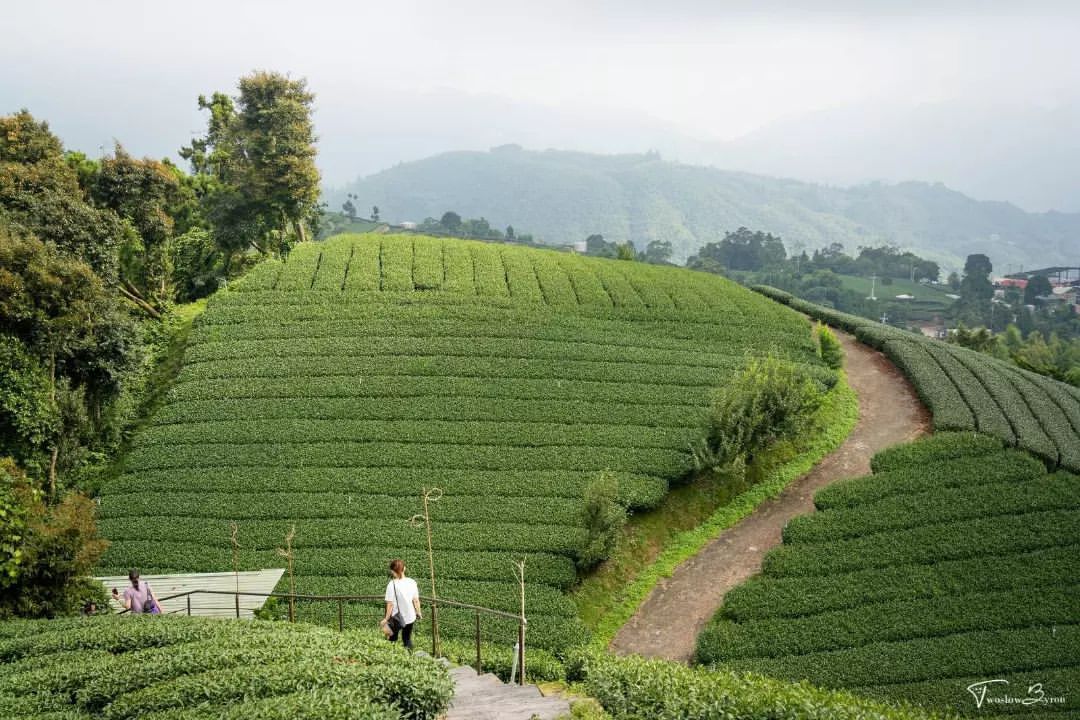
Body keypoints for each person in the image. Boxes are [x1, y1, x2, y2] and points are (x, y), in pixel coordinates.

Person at [381, 559, 421, 649]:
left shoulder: (392, 584)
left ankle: (393, 658)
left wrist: (386, 619)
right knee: (407, 639)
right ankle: (410, 659)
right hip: (410, 616)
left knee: (392, 639)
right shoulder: (412, 582)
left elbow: (390, 604)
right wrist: (418, 612)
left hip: (396, 617)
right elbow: (416, 600)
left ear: (393, 571)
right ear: (404, 569)